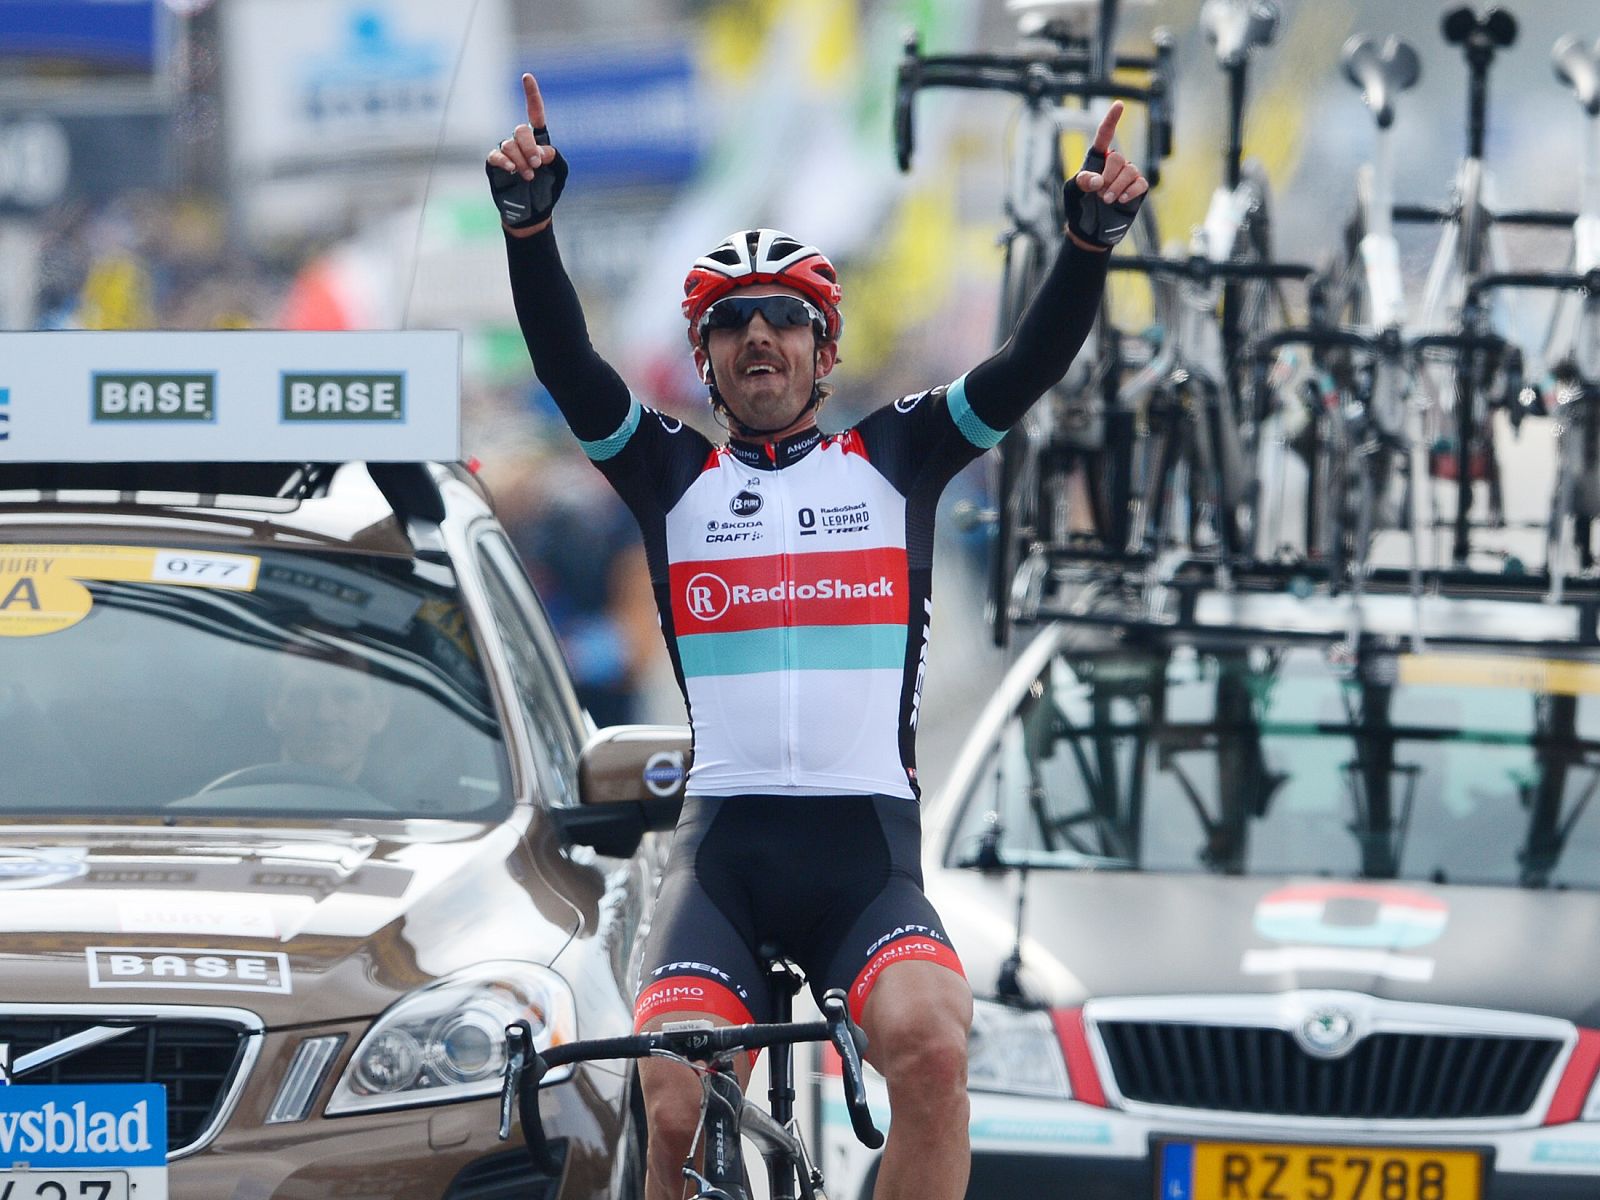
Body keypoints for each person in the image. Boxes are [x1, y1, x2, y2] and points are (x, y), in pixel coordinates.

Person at [487, 72, 1147, 1200]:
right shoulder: (668, 474)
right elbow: (565, 368)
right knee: (675, 1095)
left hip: (867, 862)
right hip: (724, 860)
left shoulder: (896, 458)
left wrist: (1084, 249)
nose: (758, 338)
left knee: (936, 1051)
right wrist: (531, 231)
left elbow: (1026, 368)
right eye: (731, 323)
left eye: (783, 318)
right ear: (705, 357)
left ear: (821, 348)